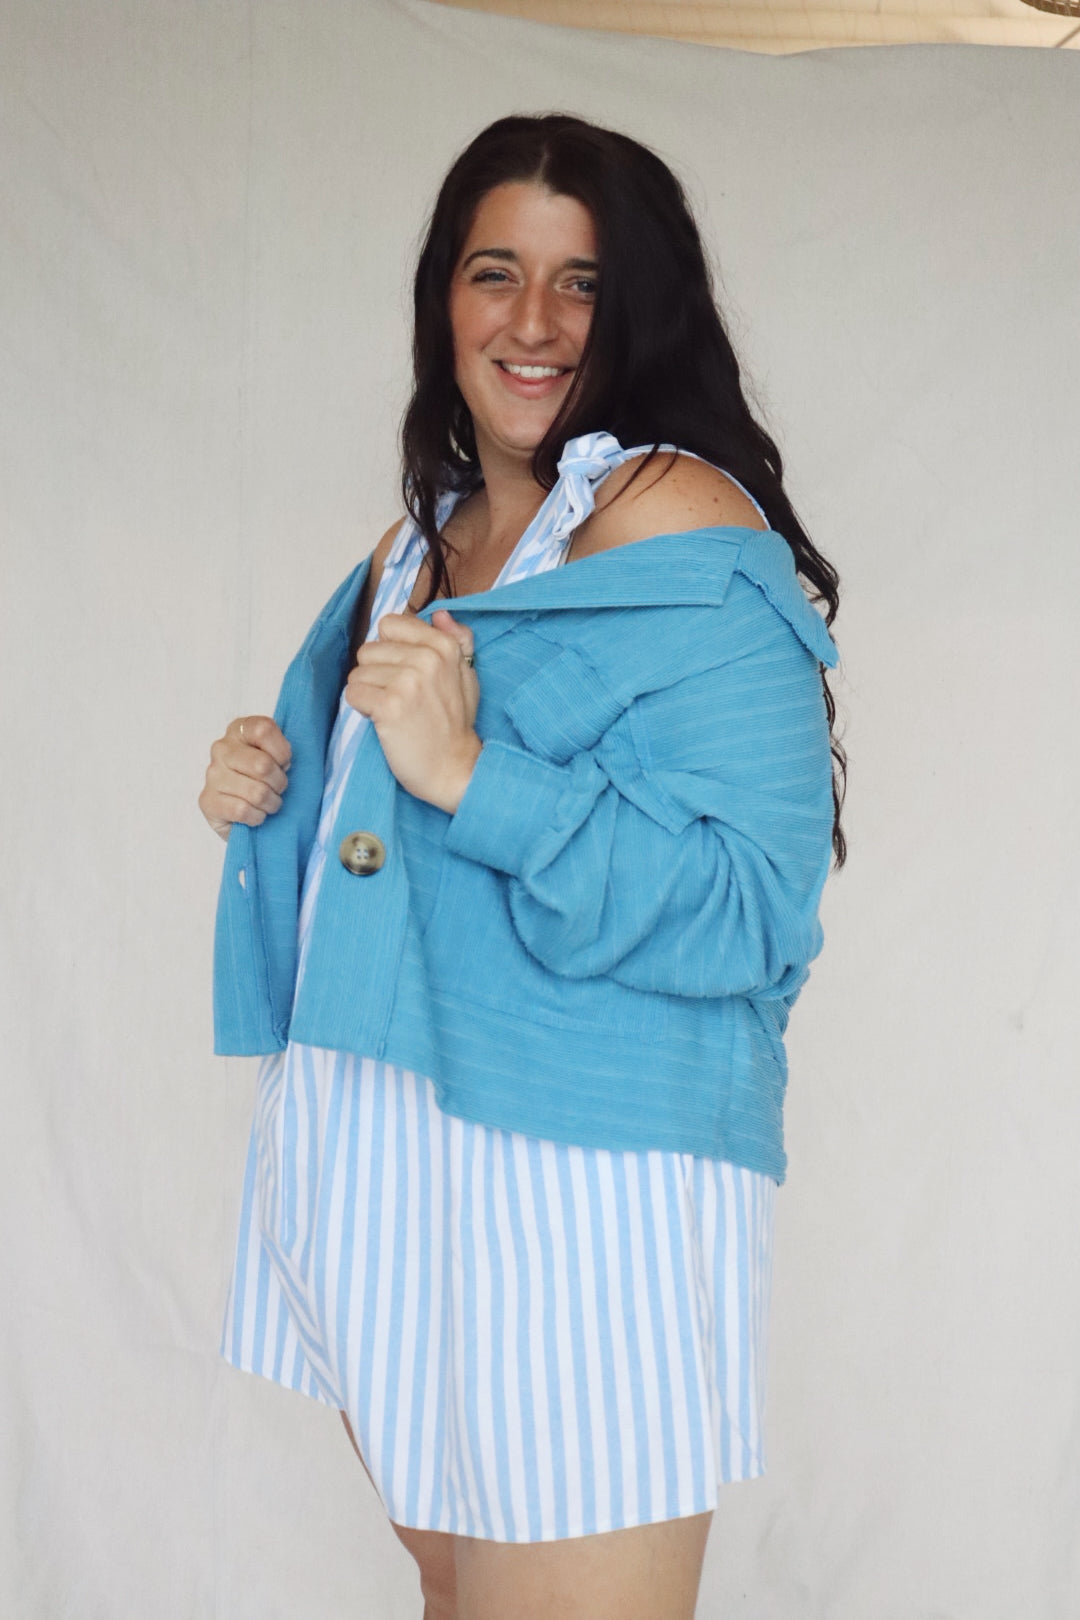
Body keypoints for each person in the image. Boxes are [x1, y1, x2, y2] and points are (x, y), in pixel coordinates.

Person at [199, 114, 845, 1620]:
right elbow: (387, 842)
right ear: (445, 296)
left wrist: (471, 775)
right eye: (497, 273)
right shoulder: (421, 541)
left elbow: (754, 903)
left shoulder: (671, 515)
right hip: (388, 1144)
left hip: (578, 1178)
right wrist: (274, 796)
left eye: (582, 283)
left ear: (642, 310)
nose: (535, 322)